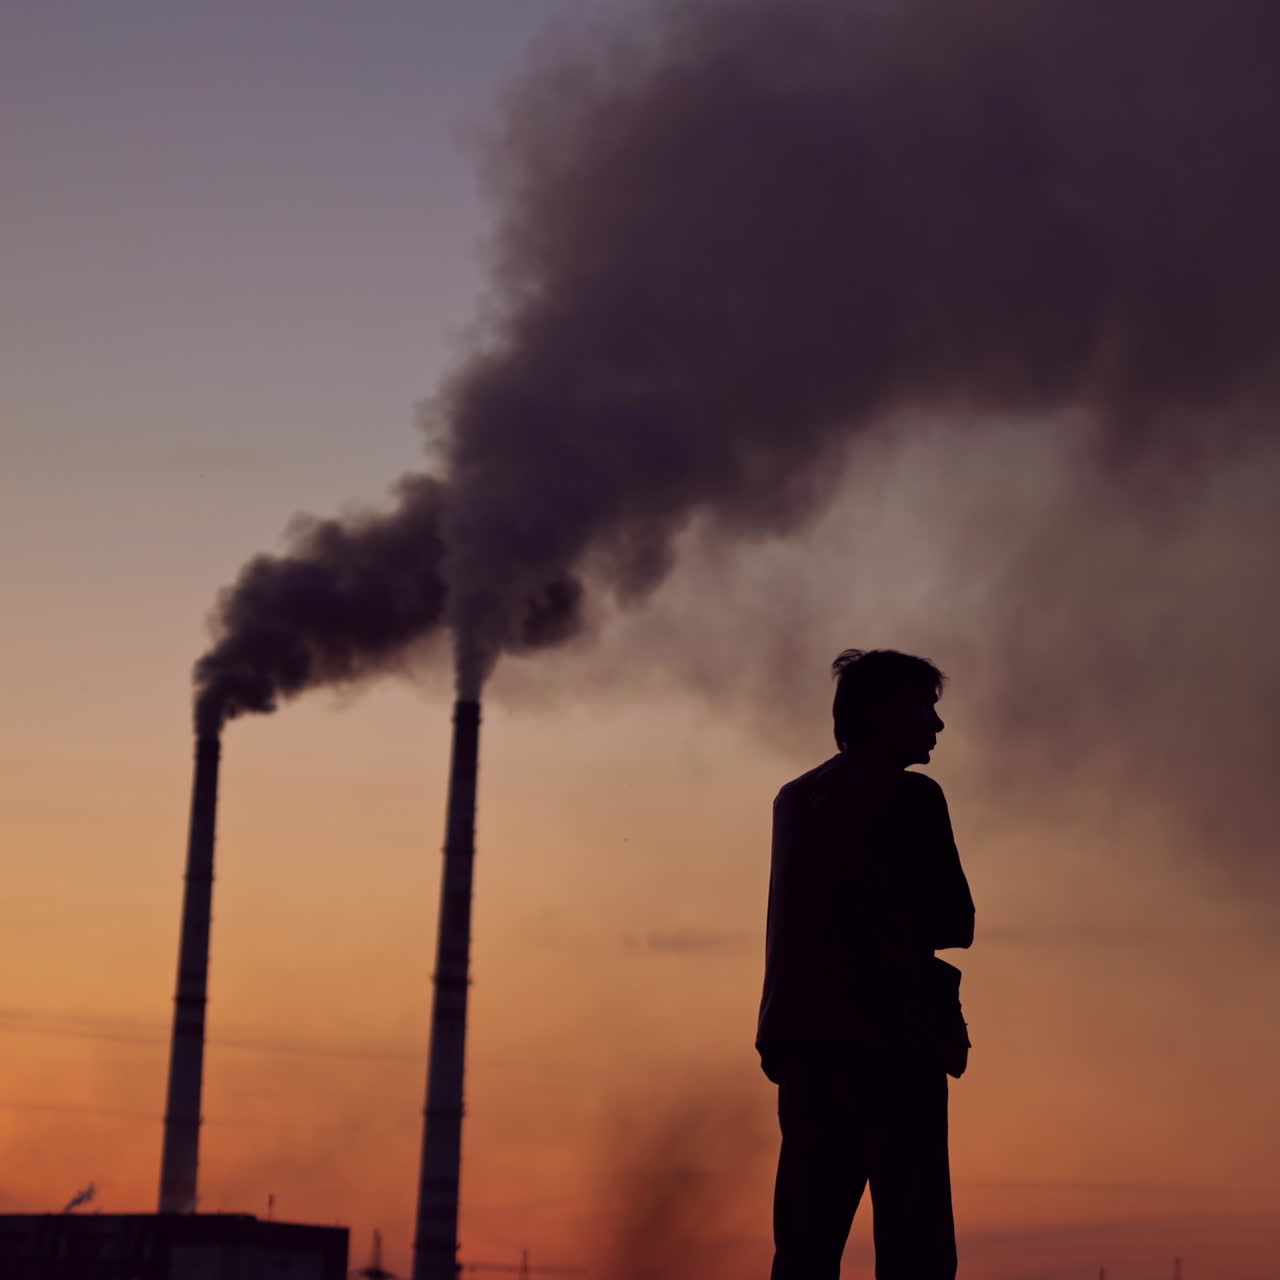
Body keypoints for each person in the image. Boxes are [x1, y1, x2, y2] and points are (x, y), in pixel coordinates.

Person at [757, 648, 975, 1280]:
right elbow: (954, 922)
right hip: (893, 1045)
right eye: (923, 708)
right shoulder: (914, 796)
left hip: (805, 1046)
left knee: (806, 1242)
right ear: (879, 713)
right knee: (917, 1246)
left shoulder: (794, 799)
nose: (936, 727)